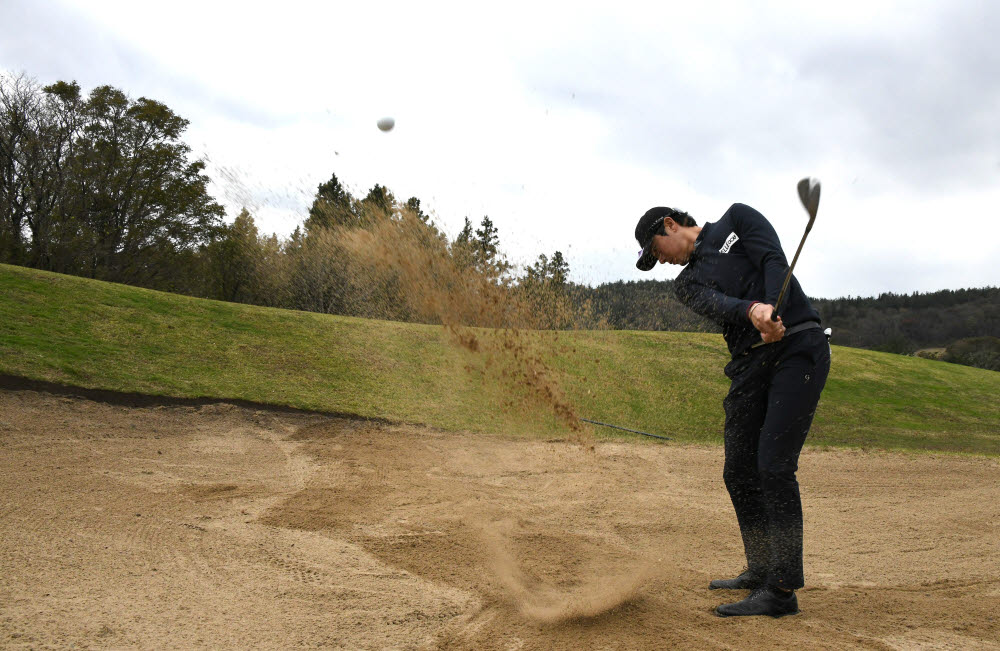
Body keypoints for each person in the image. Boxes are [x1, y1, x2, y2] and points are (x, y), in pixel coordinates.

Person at [634, 203, 830, 618]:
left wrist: (771, 307)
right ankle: (760, 568)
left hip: (797, 347)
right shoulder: (686, 284)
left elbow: (773, 260)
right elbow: (721, 303)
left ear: (670, 224)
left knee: (773, 466)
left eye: (658, 250)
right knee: (738, 469)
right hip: (749, 362)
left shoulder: (737, 220)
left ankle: (780, 590)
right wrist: (753, 311)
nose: (663, 261)